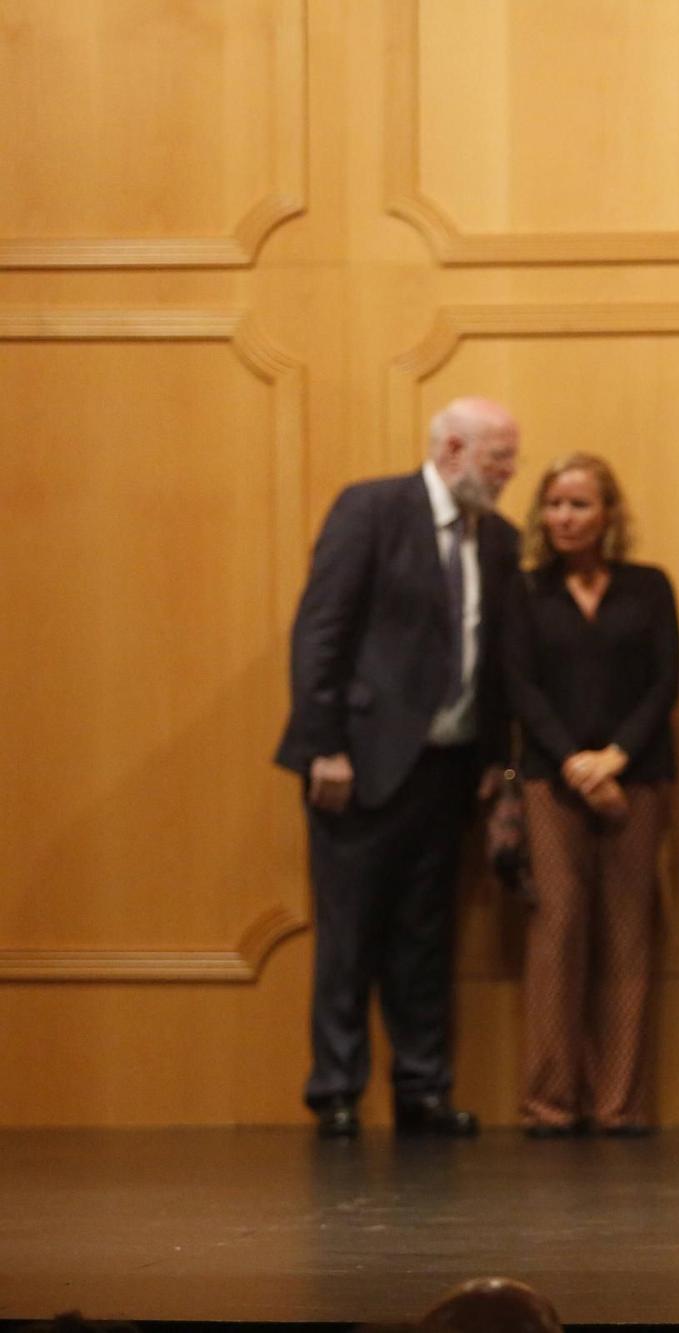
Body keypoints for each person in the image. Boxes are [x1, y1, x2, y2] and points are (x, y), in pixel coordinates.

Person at [275, 397, 522, 1137]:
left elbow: (498, 661)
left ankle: (422, 1088)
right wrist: (325, 745)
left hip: (448, 770)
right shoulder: (373, 508)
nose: (509, 472)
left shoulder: (501, 539)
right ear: (451, 447)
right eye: (497, 457)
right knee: (349, 931)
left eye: (511, 457)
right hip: (357, 761)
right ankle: (337, 1090)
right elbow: (321, 630)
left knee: (425, 935)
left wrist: (493, 758)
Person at [502, 453, 679, 1137]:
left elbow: (664, 682)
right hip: (552, 779)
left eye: (579, 504)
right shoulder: (524, 590)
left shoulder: (648, 585)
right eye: (554, 504)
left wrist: (615, 756)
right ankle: (549, 1103)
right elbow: (519, 685)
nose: (565, 517)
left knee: (629, 936)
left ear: (608, 514)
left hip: (638, 775)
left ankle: (618, 1105)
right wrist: (577, 762)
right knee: (557, 931)